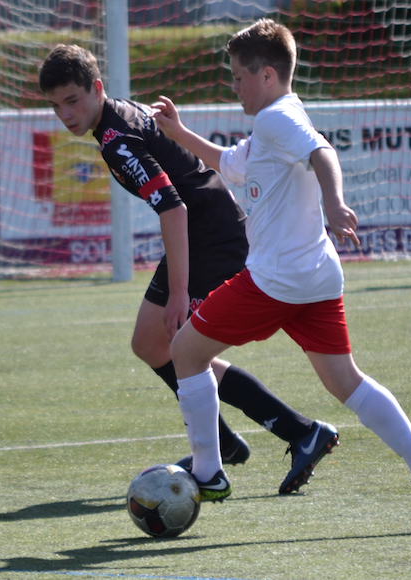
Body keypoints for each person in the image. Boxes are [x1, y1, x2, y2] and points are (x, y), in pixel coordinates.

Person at [152, 19, 411, 531]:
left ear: (267, 75)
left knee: (183, 352)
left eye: (238, 77)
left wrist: (336, 204)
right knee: (347, 382)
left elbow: (323, 152)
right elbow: (230, 164)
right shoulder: (275, 120)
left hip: (276, 280)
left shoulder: (278, 121)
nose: (234, 87)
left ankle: (209, 472)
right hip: (316, 278)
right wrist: (180, 134)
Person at [38, 44, 340, 497]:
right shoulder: (116, 117)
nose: (65, 114)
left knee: (182, 345)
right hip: (203, 223)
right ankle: (237, 440)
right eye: (56, 105)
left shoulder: (117, 139)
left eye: (73, 100)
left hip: (208, 232)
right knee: (150, 342)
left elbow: (173, 208)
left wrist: (179, 292)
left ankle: (288, 436)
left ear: (97, 89)